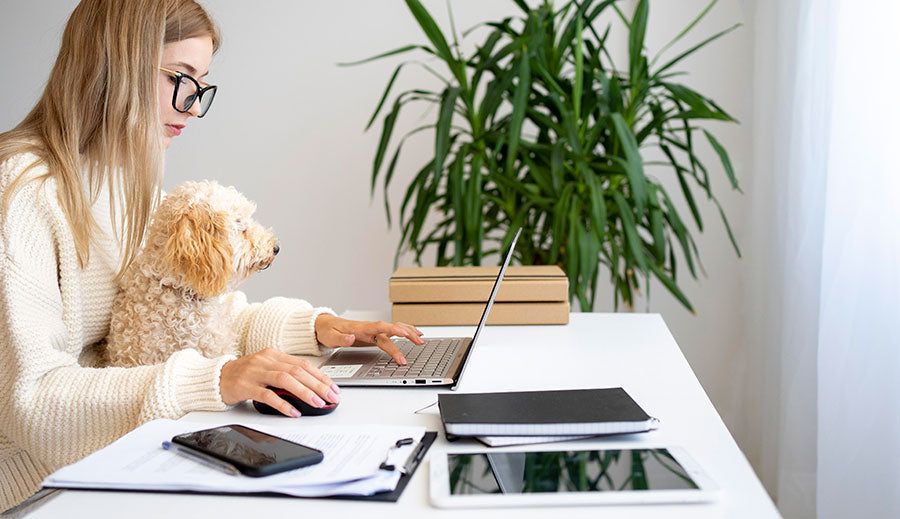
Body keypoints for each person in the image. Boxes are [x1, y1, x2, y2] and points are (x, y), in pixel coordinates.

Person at [0, 0, 424, 511]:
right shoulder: (22, 193)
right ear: (115, 66)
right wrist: (216, 379)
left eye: (200, 86)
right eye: (180, 78)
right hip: (46, 491)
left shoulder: (124, 181)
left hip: (123, 461)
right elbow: (31, 402)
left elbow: (191, 307)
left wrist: (316, 327)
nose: (193, 106)